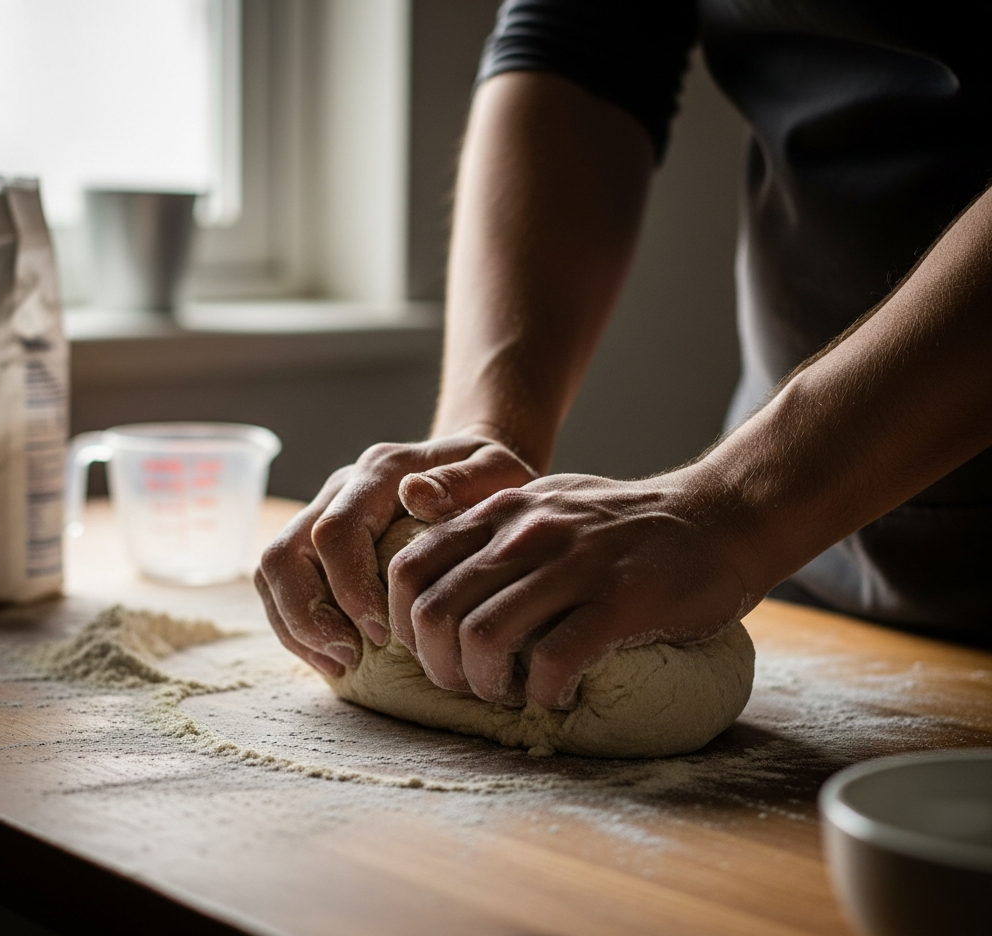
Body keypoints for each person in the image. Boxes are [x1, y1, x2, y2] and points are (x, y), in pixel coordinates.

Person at [256, 1, 992, 713]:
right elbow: (578, 46)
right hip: (811, 561)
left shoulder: (741, 512)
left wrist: (736, 503)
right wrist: (482, 437)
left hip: (788, 498)